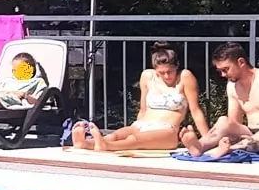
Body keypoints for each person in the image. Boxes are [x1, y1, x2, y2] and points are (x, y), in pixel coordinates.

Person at [70, 45, 207, 152]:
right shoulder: (148, 76)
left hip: (167, 129)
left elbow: (195, 111)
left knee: (135, 139)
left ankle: (106, 146)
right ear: (155, 69)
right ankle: (86, 143)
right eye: (161, 73)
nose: (166, 76)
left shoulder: (184, 77)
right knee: (116, 135)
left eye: (169, 72)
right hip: (143, 123)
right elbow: (143, 109)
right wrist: (134, 126)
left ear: (176, 67)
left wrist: (207, 139)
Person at [179, 42, 259, 157]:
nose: (223, 75)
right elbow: (234, 122)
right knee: (224, 121)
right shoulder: (232, 86)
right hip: (250, 133)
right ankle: (200, 146)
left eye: (226, 69)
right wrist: (230, 137)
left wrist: (256, 136)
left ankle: (231, 150)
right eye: (220, 71)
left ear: (241, 62)